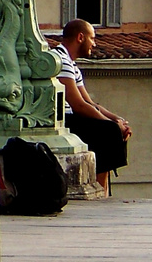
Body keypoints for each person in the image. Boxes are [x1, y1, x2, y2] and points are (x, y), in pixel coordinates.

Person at [52, 18, 130, 194]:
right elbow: (78, 105)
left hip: (72, 117)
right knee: (108, 131)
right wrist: (111, 125)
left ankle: (102, 188)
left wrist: (117, 119)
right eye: (92, 38)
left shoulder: (71, 63)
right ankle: (101, 190)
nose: (94, 44)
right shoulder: (61, 60)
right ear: (80, 37)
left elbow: (90, 103)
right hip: (63, 119)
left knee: (111, 128)